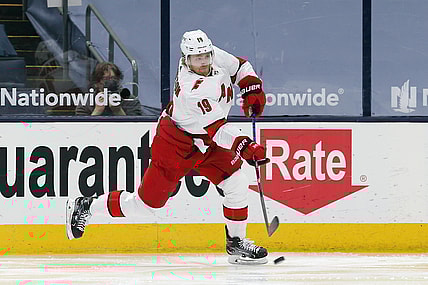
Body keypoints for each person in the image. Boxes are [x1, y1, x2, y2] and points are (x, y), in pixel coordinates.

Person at [66, 30, 268, 264]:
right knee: (145, 206)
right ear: (186, 59)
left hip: (206, 141)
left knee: (236, 182)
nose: (202, 61)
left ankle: (236, 243)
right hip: (176, 145)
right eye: (196, 58)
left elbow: (241, 66)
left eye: (205, 55)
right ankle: (86, 205)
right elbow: (218, 129)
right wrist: (246, 146)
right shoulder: (192, 87)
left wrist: (252, 86)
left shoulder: (213, 56)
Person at [75, 62, 143, 116]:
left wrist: (118, 111)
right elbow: (82, 128)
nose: (110, 82)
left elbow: (135, 127)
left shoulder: (129, 100)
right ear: (97, 82)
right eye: (106, 79)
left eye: (113, 78)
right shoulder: (85, 101)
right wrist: (97, 111)